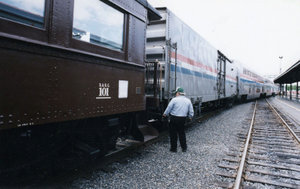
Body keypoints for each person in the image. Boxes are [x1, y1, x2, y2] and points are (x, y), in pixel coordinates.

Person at [163, 87, 194, 152]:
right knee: (182, 133)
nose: (175, 94)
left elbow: (169, 108)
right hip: (182, 119)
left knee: (173, 134)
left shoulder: (174, 100)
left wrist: (165, 114)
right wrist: (190, 116)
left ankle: (173, 149)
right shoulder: (188, 100)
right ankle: (184, 148)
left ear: (178, 93)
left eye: (176, 93)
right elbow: (191, 110)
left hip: (174, 118)